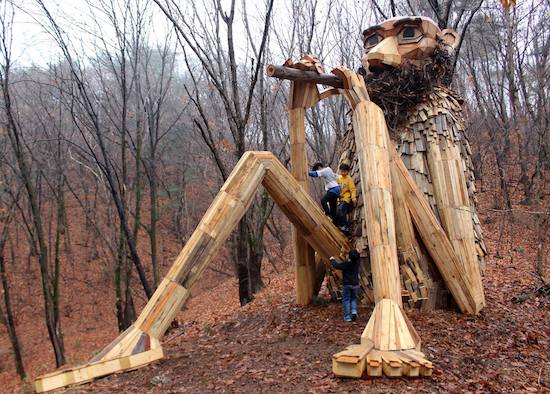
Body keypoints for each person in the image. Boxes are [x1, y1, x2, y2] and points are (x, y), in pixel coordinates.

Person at [330, 250, 360, 322]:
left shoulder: (346, 264)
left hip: (347, 284)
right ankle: (354, 311)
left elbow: (337, 266)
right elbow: (358, 257)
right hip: (355, 284)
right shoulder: (357, 262)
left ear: (349, 256)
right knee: (353, 299)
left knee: (346, 300)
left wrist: (332, 260)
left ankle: (347, 317)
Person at [336, 163, 357, 233]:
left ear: (347, 171)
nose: (343, 173)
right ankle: (340, 225)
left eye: (344, 171)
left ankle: (345, 226)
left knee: (342, 209)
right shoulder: (338, 178)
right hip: (339, 198)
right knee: (337, 211)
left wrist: (353, 198)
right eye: (341, 171)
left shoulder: (349, 179)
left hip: (346, 198)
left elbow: (353, 189)